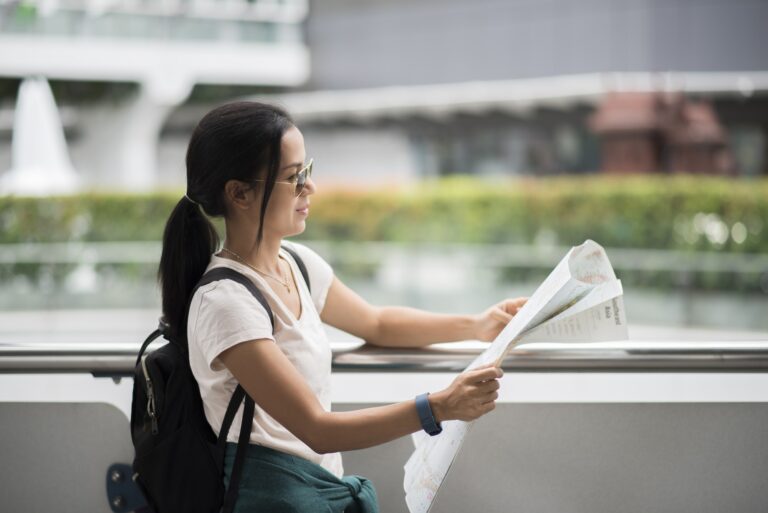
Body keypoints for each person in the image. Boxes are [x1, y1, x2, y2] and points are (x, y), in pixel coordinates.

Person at [157, 101, 527, 512]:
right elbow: (318, 430)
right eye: (293, 177)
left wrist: (477, 324)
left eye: (307, 171)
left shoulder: (297, 264)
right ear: (239, 193)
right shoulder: (225, 302)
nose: (309, 188)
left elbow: (378, 323)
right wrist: (438, 406)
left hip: (313, 494)